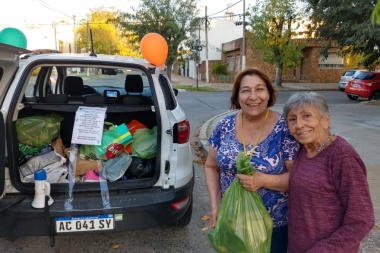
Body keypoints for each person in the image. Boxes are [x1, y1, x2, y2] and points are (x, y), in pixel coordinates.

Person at [204, 67, 299, 253]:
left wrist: (262, 180)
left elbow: (297, 177)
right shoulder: (224, 126)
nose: (253, 96)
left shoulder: (284, 130)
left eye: (260, 89)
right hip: (231, 220)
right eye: (245, 90)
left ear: (269, 94)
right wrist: (216, 206)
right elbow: (210, 166)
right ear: (237, 96)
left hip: (273, 227)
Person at [283, 91, 375, 253]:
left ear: (326, 120)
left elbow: (362, 220)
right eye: (292, 119)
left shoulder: (342, 156)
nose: (299, 125)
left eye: (307, 116)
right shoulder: (304, 150)